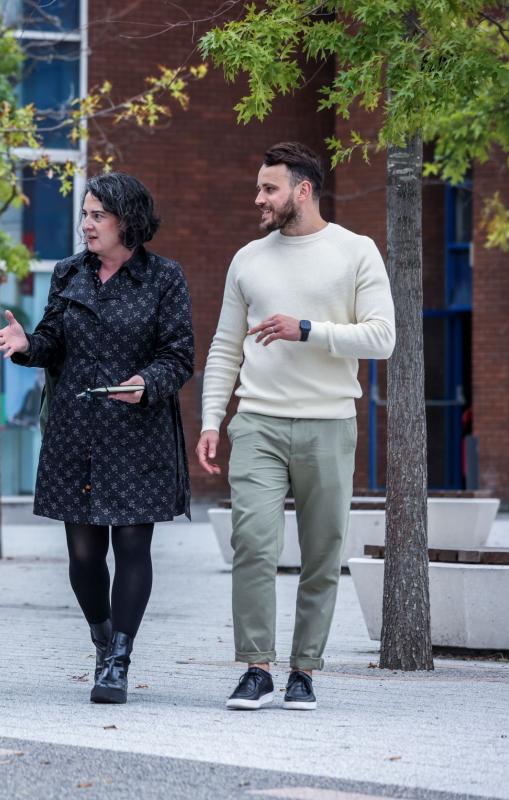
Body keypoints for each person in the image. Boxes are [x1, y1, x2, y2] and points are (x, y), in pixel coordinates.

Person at [196, 142, 395, 712]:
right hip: (257, 421)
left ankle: (304, 670)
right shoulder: (248, 259)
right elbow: (225, 346)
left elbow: (383, 337)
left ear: (302, 191)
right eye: (259, 188)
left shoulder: (356, 252)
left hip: (330, 423)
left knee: (321, 552)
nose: (258, 198)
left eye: (269, 188)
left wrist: (309, 329)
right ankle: (256, 667)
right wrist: (214, 419)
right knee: (253, 544)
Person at [0, 172, 194, 705]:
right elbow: (53, 341)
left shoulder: (163, 278)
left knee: (131, 544)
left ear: (127, 220)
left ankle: (118, 661)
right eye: (84, 214)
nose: (86, 224)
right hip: (75, 432)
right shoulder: (68, 273)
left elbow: (179, 355)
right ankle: (102, 641)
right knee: (83, 554)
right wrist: (26, 344)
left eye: (96, 215)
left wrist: (146, 383)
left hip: (137, 432)